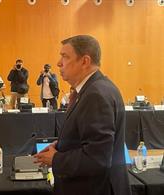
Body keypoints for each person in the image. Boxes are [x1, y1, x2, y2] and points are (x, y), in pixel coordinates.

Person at [34, 35, 131, 195]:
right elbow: (89, 137)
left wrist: (56, 159)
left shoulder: (95, 95)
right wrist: (60, 145)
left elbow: (98, 158)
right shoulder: (94, 88)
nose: (59, 63)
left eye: (65, 56)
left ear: (85, 61)